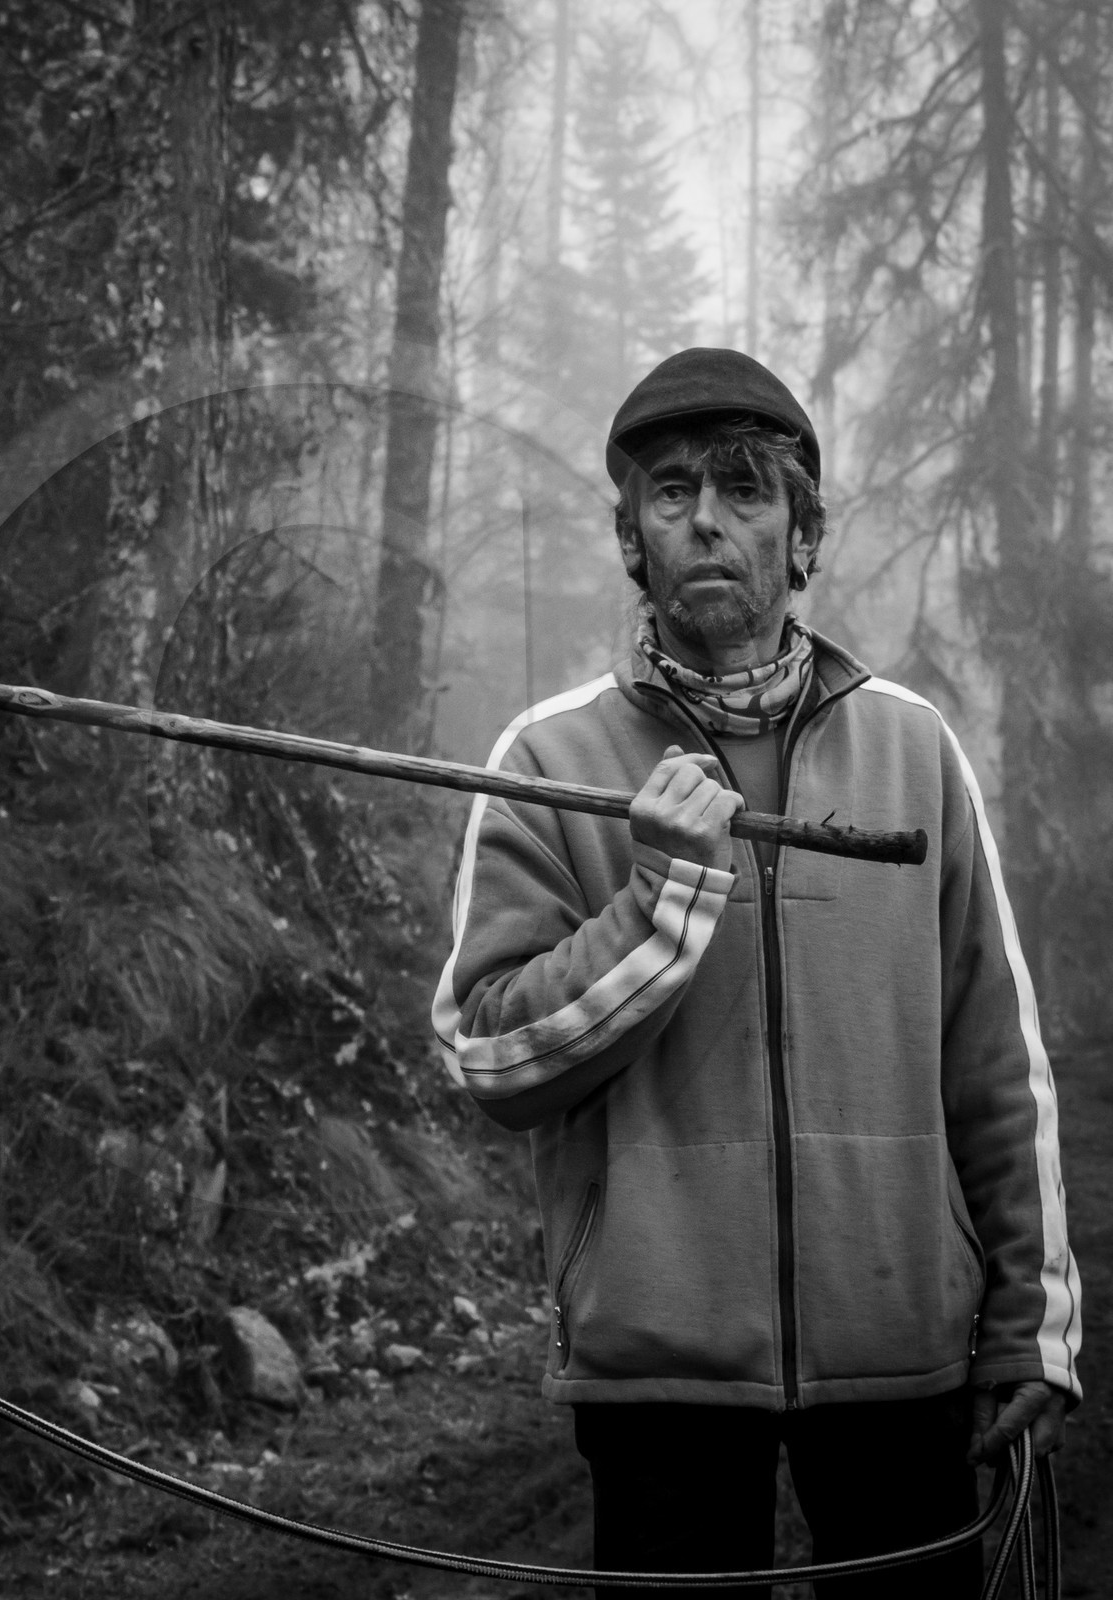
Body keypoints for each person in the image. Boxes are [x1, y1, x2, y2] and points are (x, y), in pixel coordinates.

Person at [432, 347, 1080, 1598]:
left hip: (903, 1346)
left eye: (744, 490)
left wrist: (1031, 1325)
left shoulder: (913, 748)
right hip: (657, 1369)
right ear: (632, 535)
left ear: (801, 532)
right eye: (671, 492)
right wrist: (661, 895)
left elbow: (996, 1059)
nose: (707, 521)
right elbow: (494, 1056)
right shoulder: (546, 758)